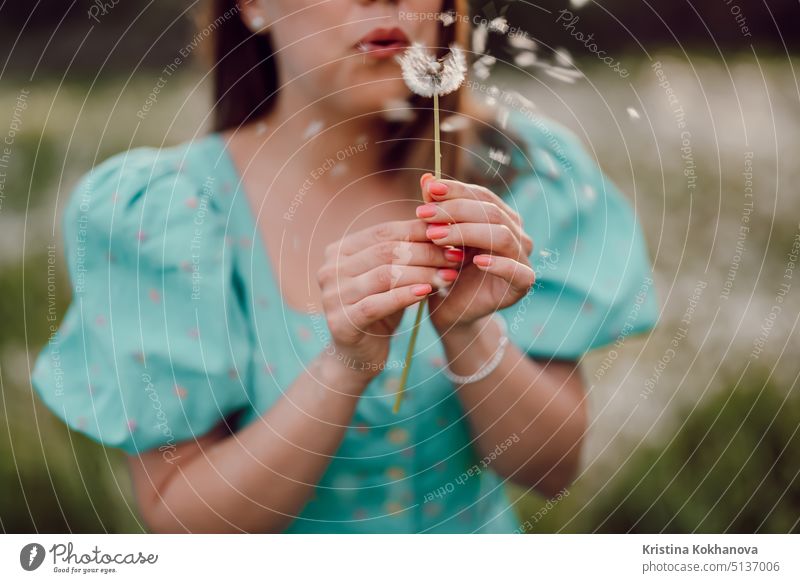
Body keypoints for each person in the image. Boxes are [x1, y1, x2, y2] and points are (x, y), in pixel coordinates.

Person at [31, 0, 659, 533]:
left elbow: (553, 467)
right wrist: (345, 365)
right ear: (251, 3)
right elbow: (182, 523)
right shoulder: (166, 214)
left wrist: (469, 330)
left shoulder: (515, 172)